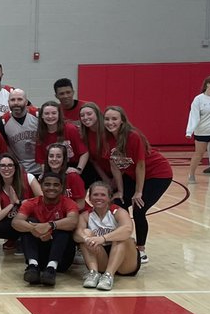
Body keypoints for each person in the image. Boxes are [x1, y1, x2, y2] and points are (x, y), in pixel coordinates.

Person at [104, 105, 173, 265]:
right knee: (117, 203)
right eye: (107, 119)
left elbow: (141, 165)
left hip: (157, 174)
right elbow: (114, 165)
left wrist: (138, 192)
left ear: (122, 120)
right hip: (133, 176)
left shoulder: (132, 136)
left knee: (139, 208)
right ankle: (121, 241)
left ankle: (141, 250)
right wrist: (120, 191)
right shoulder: (106, 138)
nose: (110, 122)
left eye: (114, 119)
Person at [12, 171, 80, 286]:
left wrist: (50, 225)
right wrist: (34, 229)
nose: (51, 188)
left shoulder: (69, 203)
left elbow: (73, 221)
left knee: (63, 227)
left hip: (62, 258)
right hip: (40, 255)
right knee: (29, 224)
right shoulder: (31, 203)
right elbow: (16, 222)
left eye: (56, 185)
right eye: (47, 184)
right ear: (41, 186)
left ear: (61, 187)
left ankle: (51, 268)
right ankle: (33, 266)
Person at [74, 181, 140, 291]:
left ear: (109, 198)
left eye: (103, 195)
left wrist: (103, 238)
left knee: (122, 238)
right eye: (95, 195)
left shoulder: (118, 211)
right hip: (102, 258)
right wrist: (86, 238)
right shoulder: (86, 215)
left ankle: (109, 275)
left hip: (125, 262)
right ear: (89, 198)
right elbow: (77, 234)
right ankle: (93, 273)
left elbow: (127, 229)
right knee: (85, 234)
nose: (99, 198)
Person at [0, 153, 40, 250]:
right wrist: (12, 204)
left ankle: (26, 242)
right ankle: (16, 238)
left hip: (32, 218)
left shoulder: (28, 178)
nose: (6, 168)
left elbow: (43, 199)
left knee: (28, 221)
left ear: (16, 167)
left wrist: (19, 202)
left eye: (10, 165)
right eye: (2, 165)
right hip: (15, 221)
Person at [34, 100, 88, 174]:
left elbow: (84, 152)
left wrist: (79, 170)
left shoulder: (70, 129)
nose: (50, 116)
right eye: (46, 113)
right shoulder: (40, 135)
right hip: (54, 170)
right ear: (42, 116)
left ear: (59, 114)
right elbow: (42, 161)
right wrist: (46, 175)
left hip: (75, 167)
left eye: (54, 113)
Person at [0, 89, 41, 176]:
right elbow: (5, 147)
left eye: (19, 99)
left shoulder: (38, 114)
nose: (16, 103)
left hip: (41, 167)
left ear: (26, 102)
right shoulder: (2, 121)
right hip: (20, 170)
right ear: (8, 102)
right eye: (13, 100)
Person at [44, 142, 87, 210]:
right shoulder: (44, 178)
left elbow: (81, 205)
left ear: (64, 159)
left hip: (76, 214)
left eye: (58, 156)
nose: (54, 159)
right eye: (51, 156)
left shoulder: (73, 176)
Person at [77, 101, 110, 186]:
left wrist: (114, 181)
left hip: (123, 173)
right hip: (104, 174)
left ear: (97, 114)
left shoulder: (109, 131)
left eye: (89, 114)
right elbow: (94, 161)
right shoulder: (84, 134)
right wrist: (106, 179)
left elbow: (120, 160)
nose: (85, 117)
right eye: (82, 115)